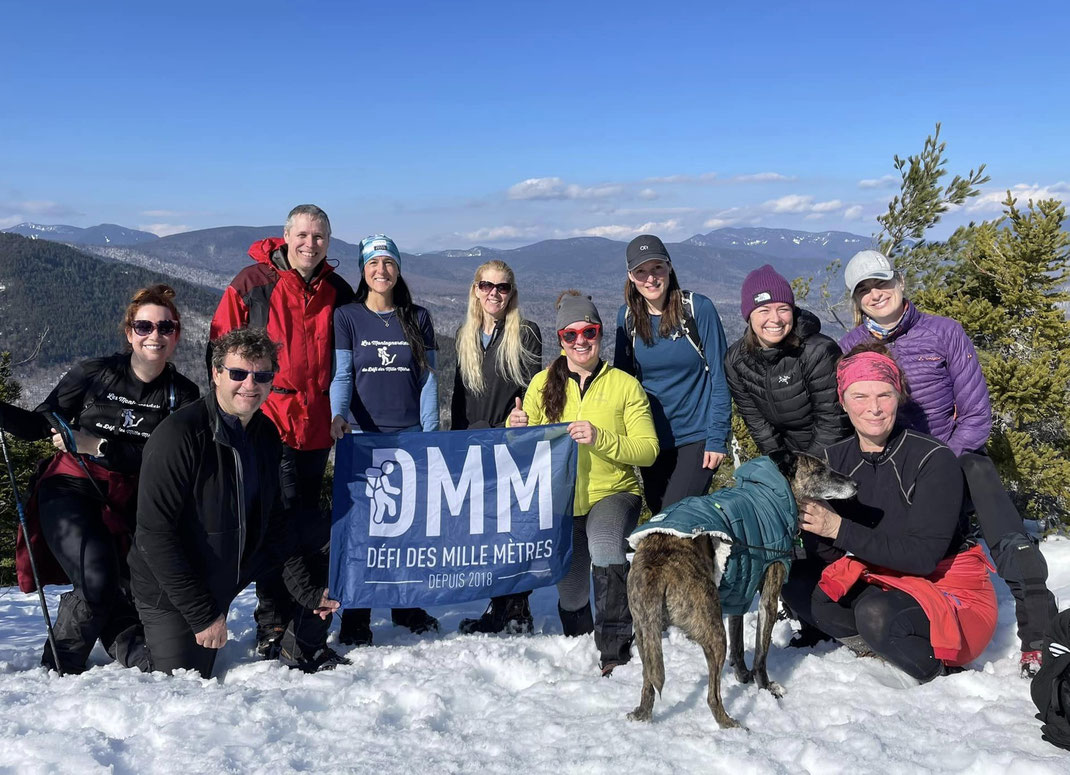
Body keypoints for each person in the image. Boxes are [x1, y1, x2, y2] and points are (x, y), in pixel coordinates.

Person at [840, 249, 1058, 677]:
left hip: (951, 454)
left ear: (900, 283)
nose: (876, 294)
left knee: (993, 502)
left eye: (882, 283)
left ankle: (1040, 633)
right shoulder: (852, 346)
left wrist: (941, 466)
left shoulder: (944, 332)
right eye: (864, 289)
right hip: (889, 461)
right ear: (856, 299)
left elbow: (976, 415)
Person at [0, 285, 199, 674]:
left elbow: (174, 463)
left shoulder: (182, 395)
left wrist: (99, 445)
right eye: (144, 327)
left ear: (176, 335)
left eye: (165, 327)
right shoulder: (95, 375)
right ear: (129, 333)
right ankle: (60, 665)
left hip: (135, 498)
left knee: (133, 587)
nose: (154, 336)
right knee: (98, 577)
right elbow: (41, 424)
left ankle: (135, 650)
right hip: (72, 487)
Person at [129, 328, 341, 678]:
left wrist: (308, 592)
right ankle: (115, 628)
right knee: (184, 674)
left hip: (237, 563)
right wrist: (203, 614)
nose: (250, 384)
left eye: (262, 376)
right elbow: (154, 536)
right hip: (176, 581)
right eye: (238, 373)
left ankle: (299, 644)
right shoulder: (180, 435)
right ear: (216, 374)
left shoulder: (265, 434)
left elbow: (273, 521)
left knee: (326, 534)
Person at [798, 344, 998, 682]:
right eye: (859, 396)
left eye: (884, 395)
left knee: (874, 613)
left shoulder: (933, 459)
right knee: (800, 585)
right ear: (843, 402)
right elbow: (831, 552)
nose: (873, 409)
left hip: (947, 589)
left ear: (898, 398)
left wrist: (836, 527)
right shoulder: (835, 459)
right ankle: (884, 649)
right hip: (883, 575)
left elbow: (923, 558)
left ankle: (938, 670)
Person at [209, 204, 354, 666]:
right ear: (286, 236)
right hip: (268, 421)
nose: (311, 243)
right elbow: (217, 345)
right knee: (280, 522)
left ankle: (299, 613)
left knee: (305, 524)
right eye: (304, 235)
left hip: (317, 426)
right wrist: (228, 410)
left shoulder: (336, 289)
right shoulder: (253, 283)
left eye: (320, 236)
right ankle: (273, 621)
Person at [510, 290, 658, 675]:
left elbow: (648, 450)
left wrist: (601, 438)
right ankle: (577, 642)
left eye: (588, 332)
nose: (580, 342)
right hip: (562, 499)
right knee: (572, 591)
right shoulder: (542, 384)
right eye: (570, 335)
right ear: (560, 339)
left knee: (606, 545)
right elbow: (524, 451)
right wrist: (516, 430)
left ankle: (614, 649)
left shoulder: (624, 385)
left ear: (600, 333)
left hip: (613, 493)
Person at [723, 264, 851, 648]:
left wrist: (806, 478)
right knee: (788, 534)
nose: (774, 319)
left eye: (782, 309)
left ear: (793, 311)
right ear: (749, 316)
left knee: (827, 532)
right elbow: (758, 425)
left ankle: (843, 610)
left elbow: (833, 419)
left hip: (832, 453)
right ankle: (807, 613)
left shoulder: (818, 350)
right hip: (789, 460)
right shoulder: (737, 361)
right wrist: (783, 475)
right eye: (762, 311)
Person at [329, 234, 440, 646]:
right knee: (362, 529)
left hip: (409, 433)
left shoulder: (418, 317)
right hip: (361, 437)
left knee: (405, 527)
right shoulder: (347, 317)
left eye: (388, 262)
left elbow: (428, 378)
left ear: (398, 268)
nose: (381, 270)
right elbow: (342, 375)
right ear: (363, 269)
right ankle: (356, 613)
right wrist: (337, 415)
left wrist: (431, 433)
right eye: (373, 263)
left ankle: (404, 603)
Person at [451, 260, 543, 635]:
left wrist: (521, 420)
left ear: (512, 293)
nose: (494, 293)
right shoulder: (465, 335)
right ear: (476, 289)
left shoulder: (526, 334)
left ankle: (515, 606)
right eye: (487, 285)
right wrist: (455, 445)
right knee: (488, 529)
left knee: (512, 527)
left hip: (510, 446)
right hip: (473, 444)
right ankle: (504, 605)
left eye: (502, 287)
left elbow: (533, 392)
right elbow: (459, 398)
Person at [613, 234, 731, 515]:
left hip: (696, 435)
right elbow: (623, 383)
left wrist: (717, 436)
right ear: (631, 276)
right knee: (660, 516)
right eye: (641, 271)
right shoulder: (627, 318)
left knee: (674, 517)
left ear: (669, 267)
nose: (650, 278)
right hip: (650, 441)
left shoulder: (697, 309)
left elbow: (720, 376)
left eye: (657, 268)